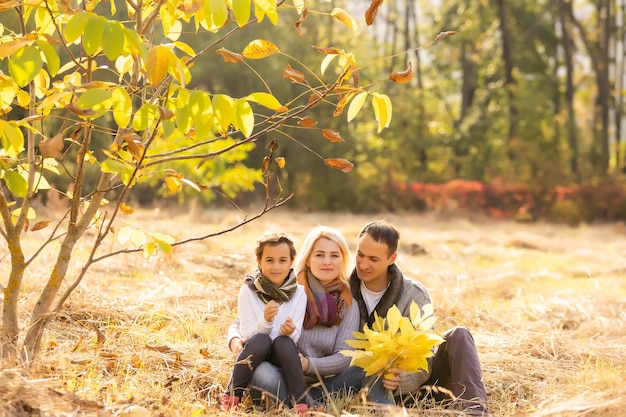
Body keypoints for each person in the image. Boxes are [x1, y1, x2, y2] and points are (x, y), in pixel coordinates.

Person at [342, 220, 491, 416]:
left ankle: (476, 412)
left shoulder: (415, 295)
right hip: (365, 387)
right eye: (360, 255)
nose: (363, 264)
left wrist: (399, 379)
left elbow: (426, 356)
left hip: (420, 389)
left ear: (392, 258)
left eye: (373, 259)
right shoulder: (342, 291)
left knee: (460, 335)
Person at [226, 226, 360, 410]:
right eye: (319, 255)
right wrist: (234, 340)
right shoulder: (287, 286)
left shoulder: (347, 303)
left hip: (318, 382)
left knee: (361, 372)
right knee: (264, 373)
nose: (327, 262)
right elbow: (241, 321)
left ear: (343, 259)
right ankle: (305, 405)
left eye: (334, 255)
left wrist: (307, 365)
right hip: (278, 373)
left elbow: (344, 357)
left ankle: (303, 401)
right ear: (307, 259)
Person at [220, 231, 309, 413]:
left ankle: (301, 405)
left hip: (282, 355)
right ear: (259, 262)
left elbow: (296, 336)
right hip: (256, 352)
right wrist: (266, 321)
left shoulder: (300, 293)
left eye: (282, 260)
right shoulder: (248, 290)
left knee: (283, 342)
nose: (276, 266)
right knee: (262, 339)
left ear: (291, 262)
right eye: (269, 260)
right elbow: (247, 336)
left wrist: (289, 331)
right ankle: (231, 396)